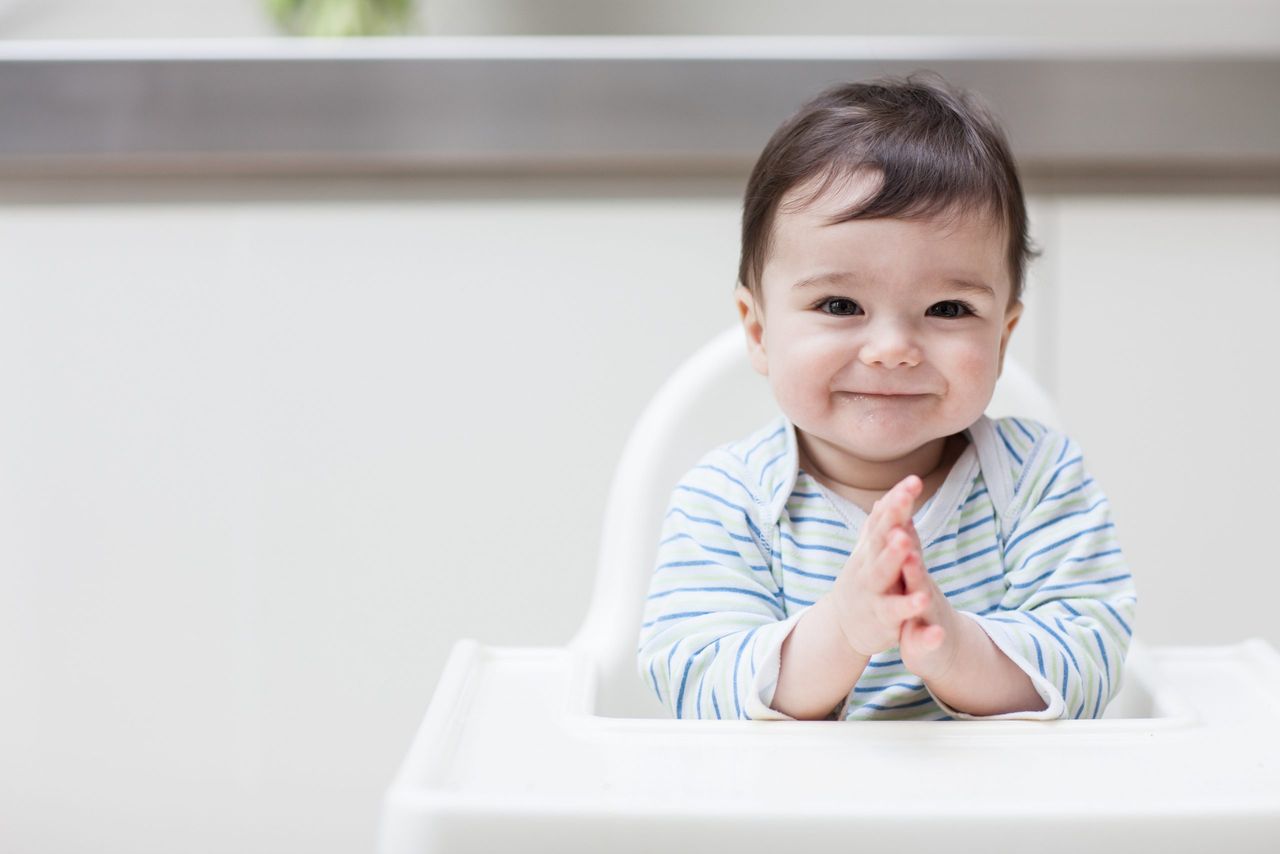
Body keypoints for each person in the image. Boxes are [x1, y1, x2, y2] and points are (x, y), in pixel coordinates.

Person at [636, 71, 1137, 722]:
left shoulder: (1039, 481)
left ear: (1004, 335)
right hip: (786, 814)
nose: (893, 347)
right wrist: (844, 628)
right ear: (759, 331)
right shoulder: (728, 502)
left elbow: (1091, 656)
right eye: (840, 305)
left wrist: (954, 648)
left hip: (996, 811)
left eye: (948, 308)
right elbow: (694, 678)